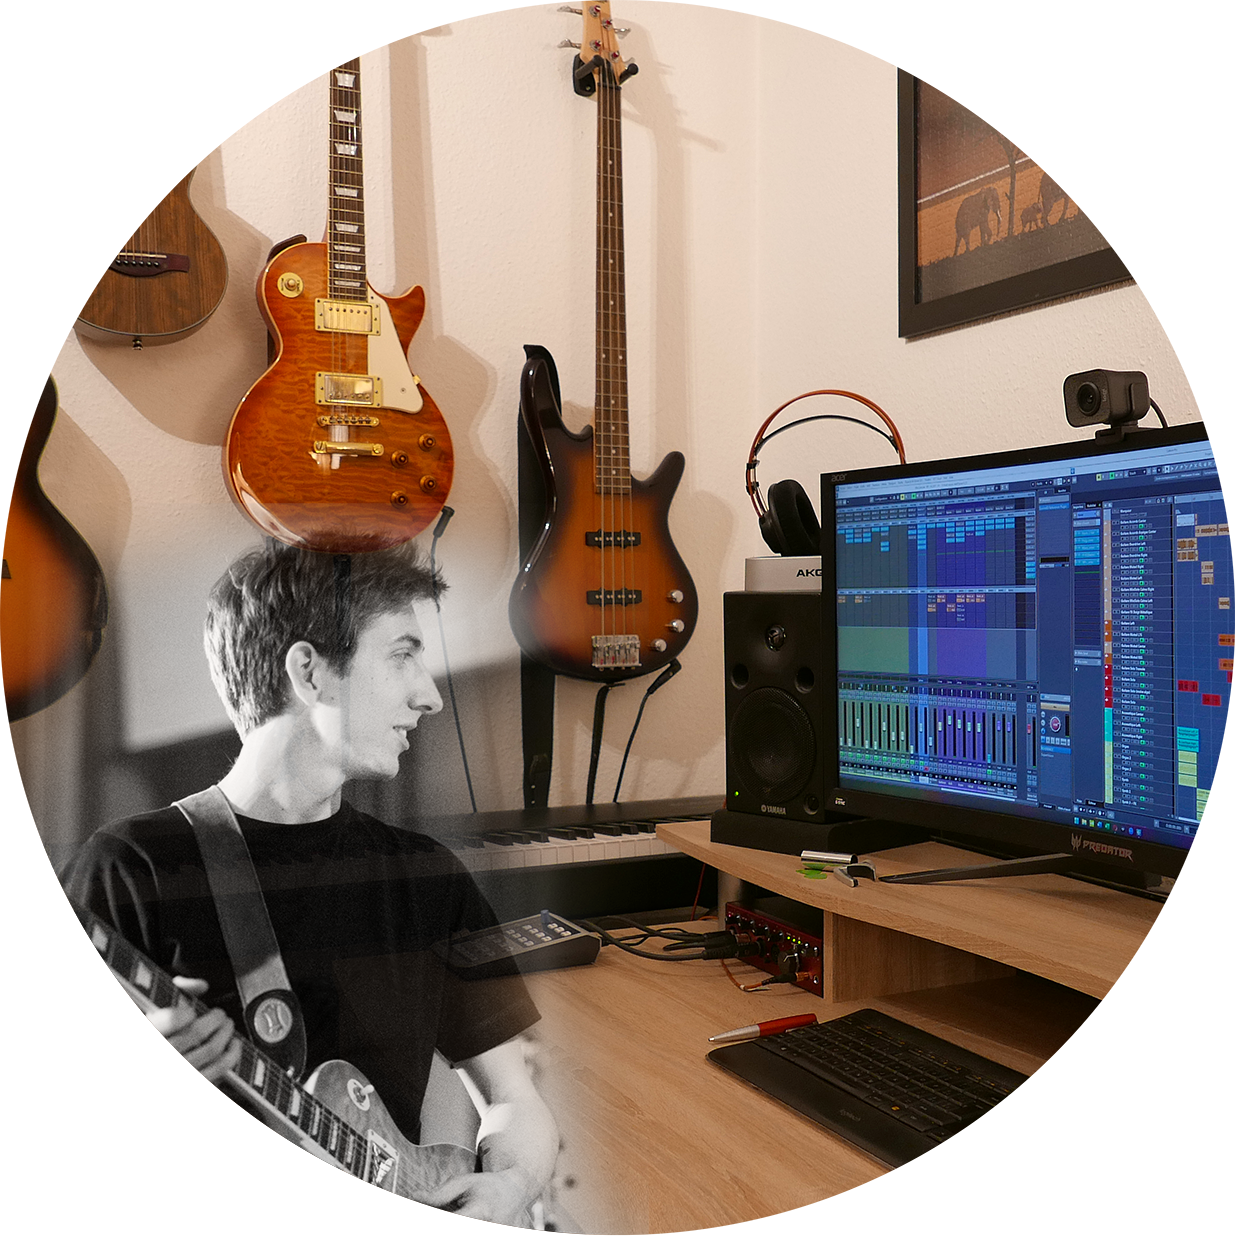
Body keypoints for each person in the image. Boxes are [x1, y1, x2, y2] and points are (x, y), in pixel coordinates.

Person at [50, 541, 558, 1236]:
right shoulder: (133, 867)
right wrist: (133, 1087)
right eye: (402, 656)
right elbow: (39, 1160)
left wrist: (512, 1185)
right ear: (309, 672)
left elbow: (515, 1097)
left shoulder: (426, 876)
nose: (430, 694)